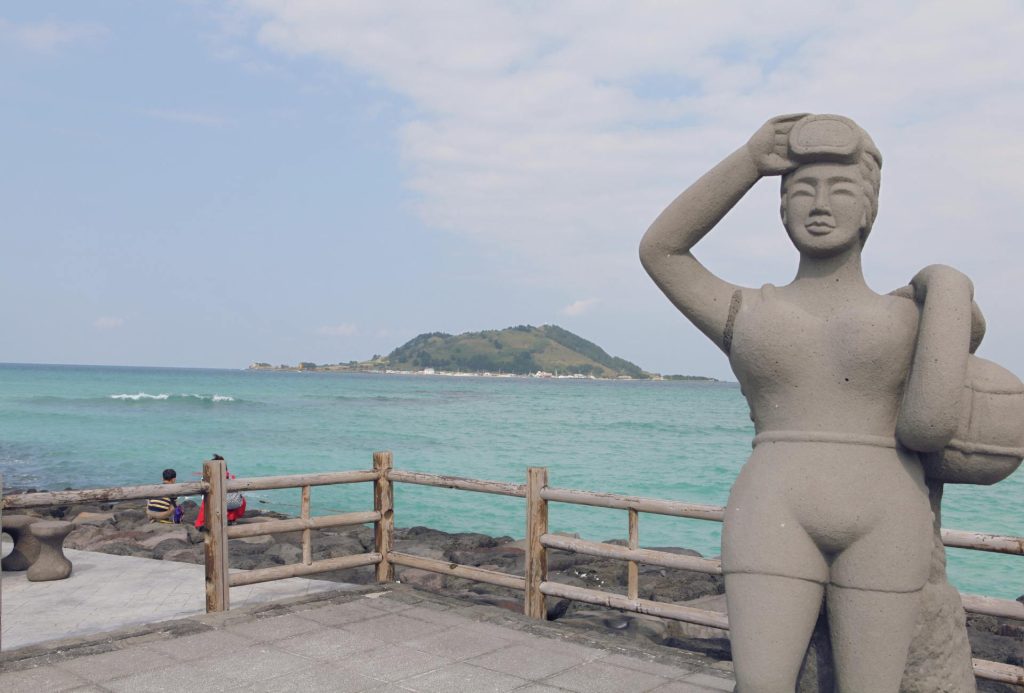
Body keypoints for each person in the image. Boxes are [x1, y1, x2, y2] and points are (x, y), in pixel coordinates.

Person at [640, 114, 974, 692]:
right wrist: (747, 162)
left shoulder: (910, 315)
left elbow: (930, 423)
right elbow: (661, 250)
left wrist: (946, 283)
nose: (820, 205)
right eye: (802, 192)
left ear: (869, 208)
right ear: (781, 210)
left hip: (888, 513)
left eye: (841, 190)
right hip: (774, 509)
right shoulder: (747, 312)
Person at [194, 455, 246, 530]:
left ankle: (201, 523)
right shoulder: (232, 477)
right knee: (236, 497)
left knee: (207, 500)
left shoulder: (212, 478)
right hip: (233, 504)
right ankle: (231, 519)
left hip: (220, 504)